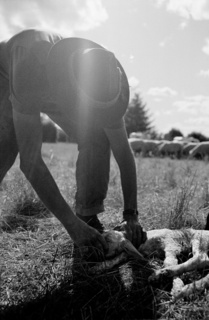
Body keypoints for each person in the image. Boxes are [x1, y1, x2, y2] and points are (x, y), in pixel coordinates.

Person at [0, 29, 146, 259]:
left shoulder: (106, 82)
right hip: (8, 76)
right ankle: (79, 226)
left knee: (96, 135)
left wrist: (131, 214)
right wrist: (71, 226)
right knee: (6, 151)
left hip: (54, 78)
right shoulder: (29, 65)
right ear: (71, 92)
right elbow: (31, 163)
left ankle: (87, 215)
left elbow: (123, 153)